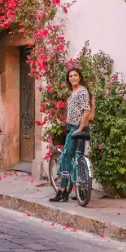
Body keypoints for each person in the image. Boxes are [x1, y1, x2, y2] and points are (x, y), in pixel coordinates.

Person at [49, 67, 91, 202]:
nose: (73, 77)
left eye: (75, 75)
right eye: (70, 76)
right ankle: (79, 190)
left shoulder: (82, 91)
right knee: (77, 157)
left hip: (77, 128)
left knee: (66, 157)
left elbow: (86, 111)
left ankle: (62, 191)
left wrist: (79, 128)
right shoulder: (73, 92)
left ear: (80, 77)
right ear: (68, 79)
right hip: (73, 127)